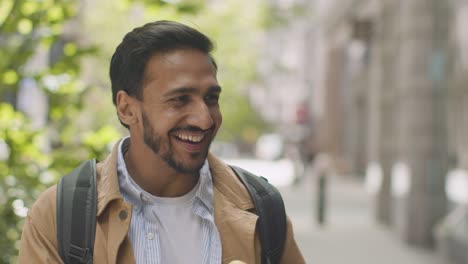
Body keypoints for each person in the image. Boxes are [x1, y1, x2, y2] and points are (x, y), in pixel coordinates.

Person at [18, 20, 305, 263]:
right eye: (180, 99)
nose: (205, 119)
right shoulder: (59, 215)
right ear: (127, 109)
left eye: (211, 98)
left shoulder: (262, 208)